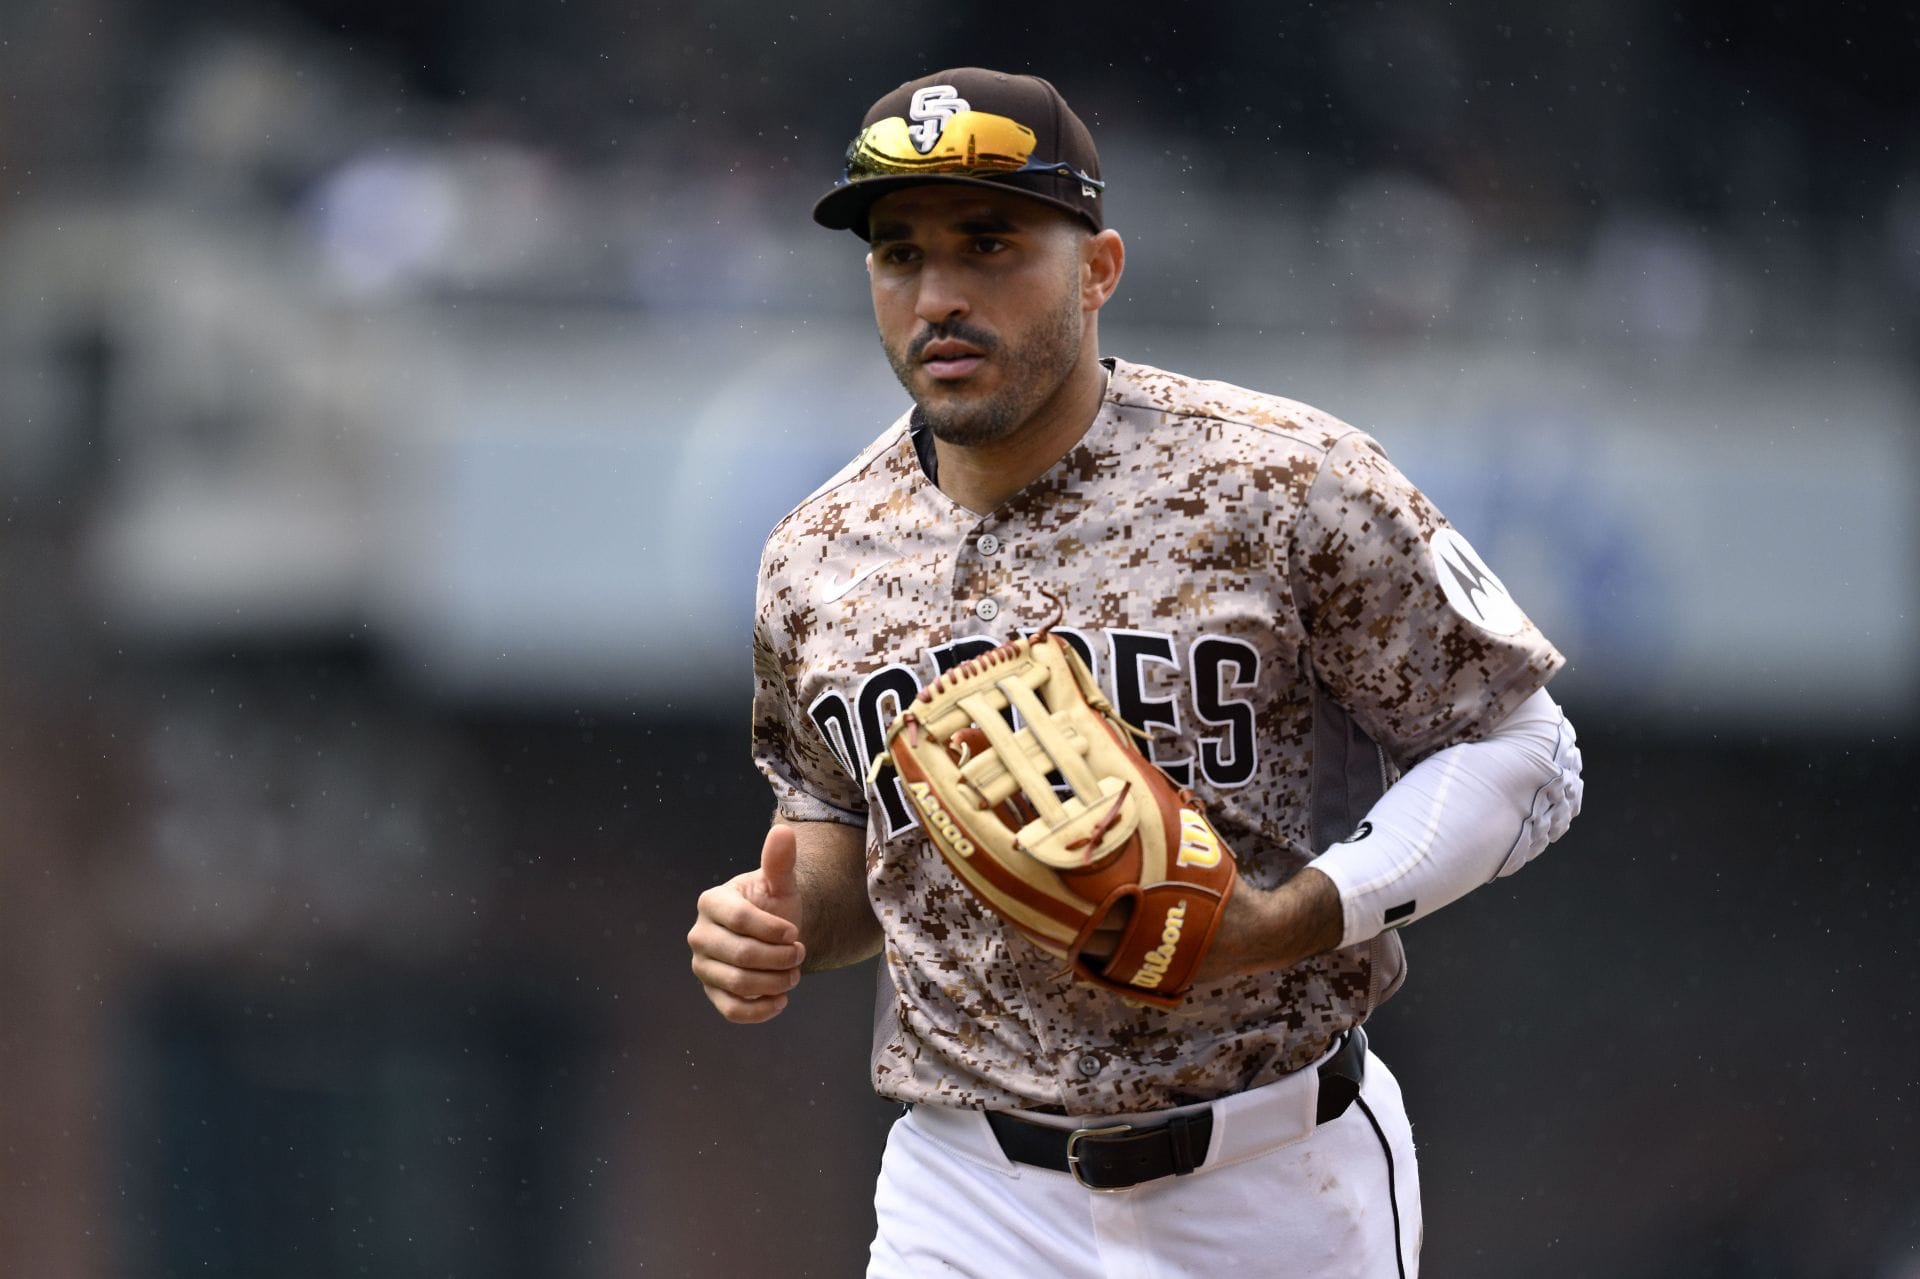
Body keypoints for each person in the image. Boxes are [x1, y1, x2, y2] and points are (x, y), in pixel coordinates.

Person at [687, 67, 1584, 1278]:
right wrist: (775, 922)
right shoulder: (819, 558)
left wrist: (1288, 922)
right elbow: (846, 863)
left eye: (991, 242)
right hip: (970, 1193)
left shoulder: (1283, 481)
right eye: (901, 254)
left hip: (1275, 1173)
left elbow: (1527, 751)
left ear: (1099, 268)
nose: (940, 294)